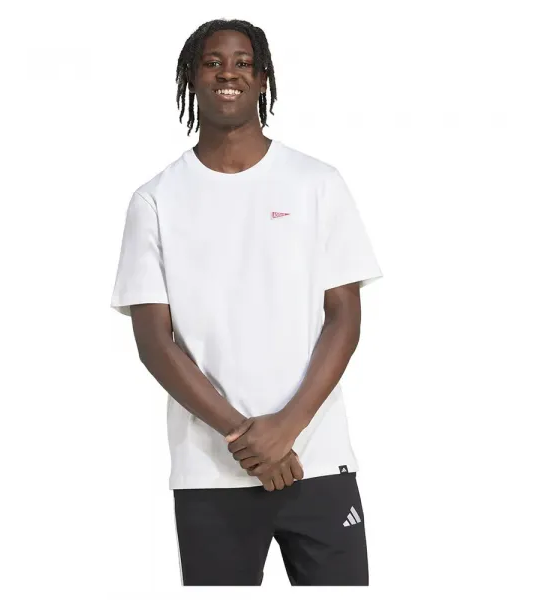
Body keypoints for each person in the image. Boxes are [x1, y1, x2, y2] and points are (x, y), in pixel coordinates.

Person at [110, 18, 383, 586]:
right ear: (191, 77)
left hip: (317, 459)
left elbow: (344, 319)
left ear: (262, 78)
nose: (227, 73)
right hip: (210, 472)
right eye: (212, 62)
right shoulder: (155, 200)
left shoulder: (316, 182)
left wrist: (287, 429)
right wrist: (246, 437)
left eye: (242, 62)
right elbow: (155, 343)